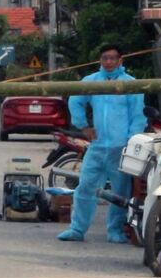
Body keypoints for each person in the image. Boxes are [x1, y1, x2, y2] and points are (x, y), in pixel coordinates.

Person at [57, 44, 147, 243]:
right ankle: (77, 229)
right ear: (100, 60)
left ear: (120, 60)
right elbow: (75, 101)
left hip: (120, 146)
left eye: (113, 58)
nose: (108, 62)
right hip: (97, 146)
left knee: (120, 191)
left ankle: (115, 230)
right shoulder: (91, 81)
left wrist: (131, 140)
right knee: (85, 187)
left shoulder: (131, 84)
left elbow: (138, 116)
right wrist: (83, 126)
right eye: (105, 58)